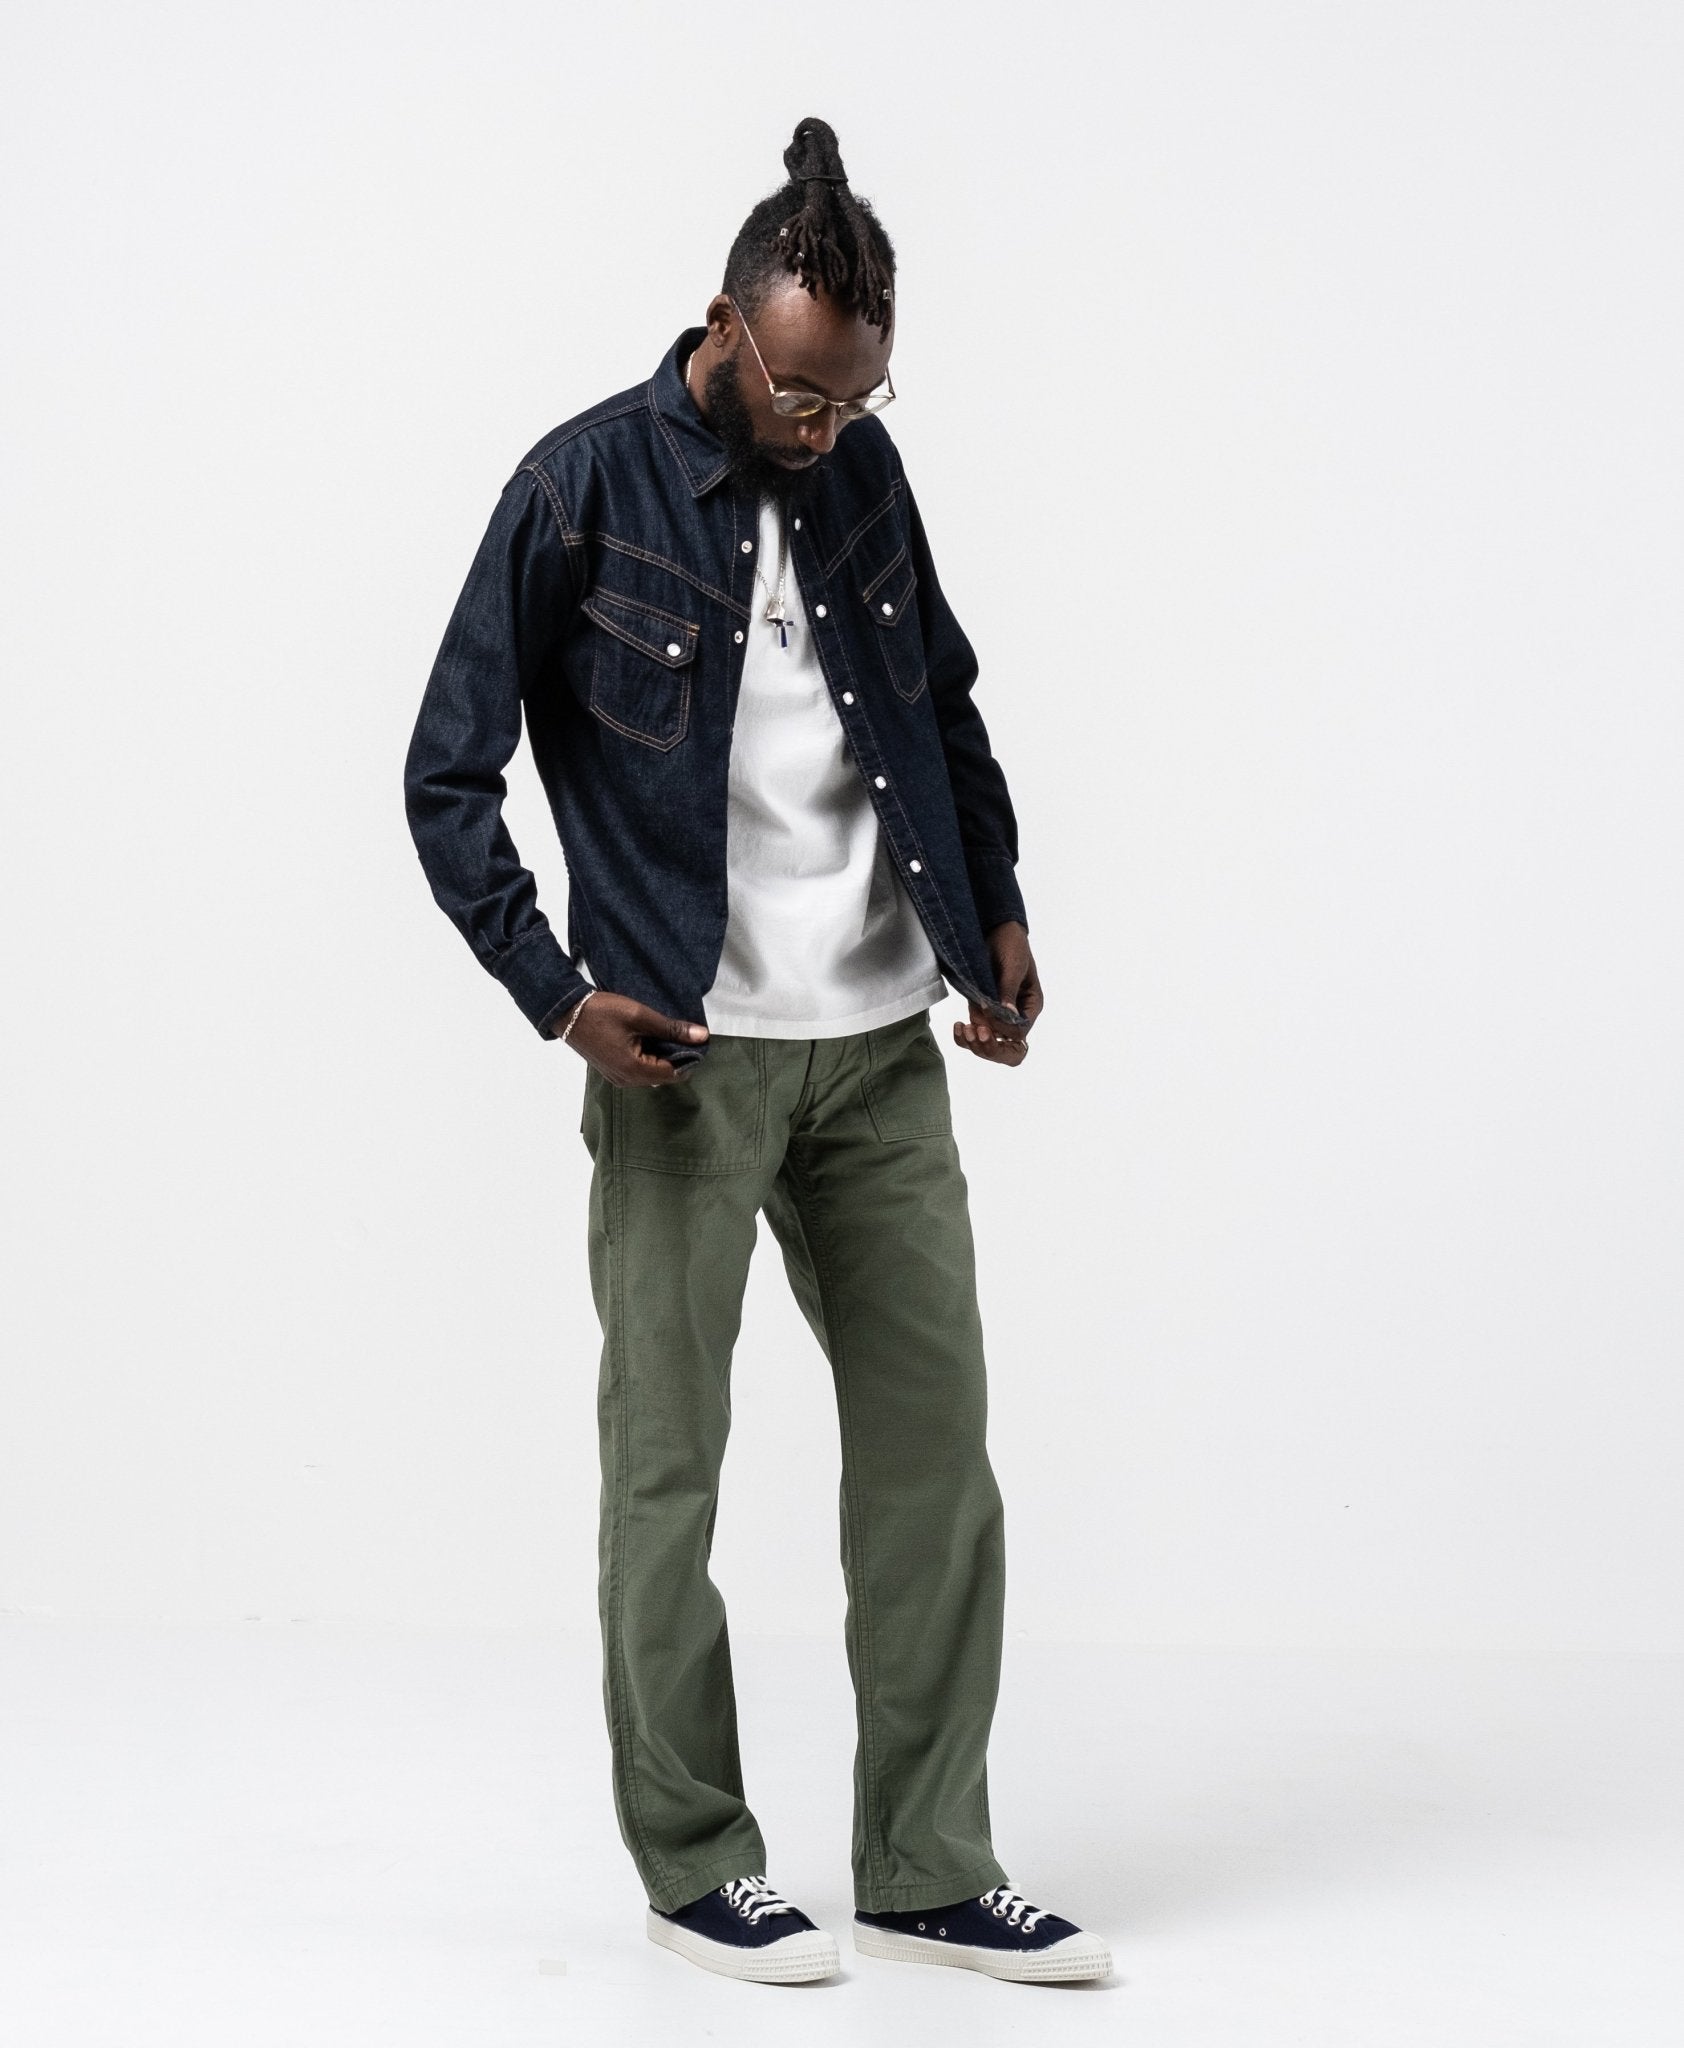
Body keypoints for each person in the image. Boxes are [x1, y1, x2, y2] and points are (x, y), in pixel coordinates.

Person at [403, 116, 1112, 1987]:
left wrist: (997, 911)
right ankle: (695, 1861)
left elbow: (941, 703)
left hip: (881, 1049)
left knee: (935, 1461)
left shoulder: (865, 470)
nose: (826, 426)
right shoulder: (578, 487)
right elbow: (445, 772)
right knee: (670, 1472)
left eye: (857, 396)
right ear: (724, 326)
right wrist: (557, 991)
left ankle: (928, 1861)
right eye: (802, 393)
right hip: (684, 1059)